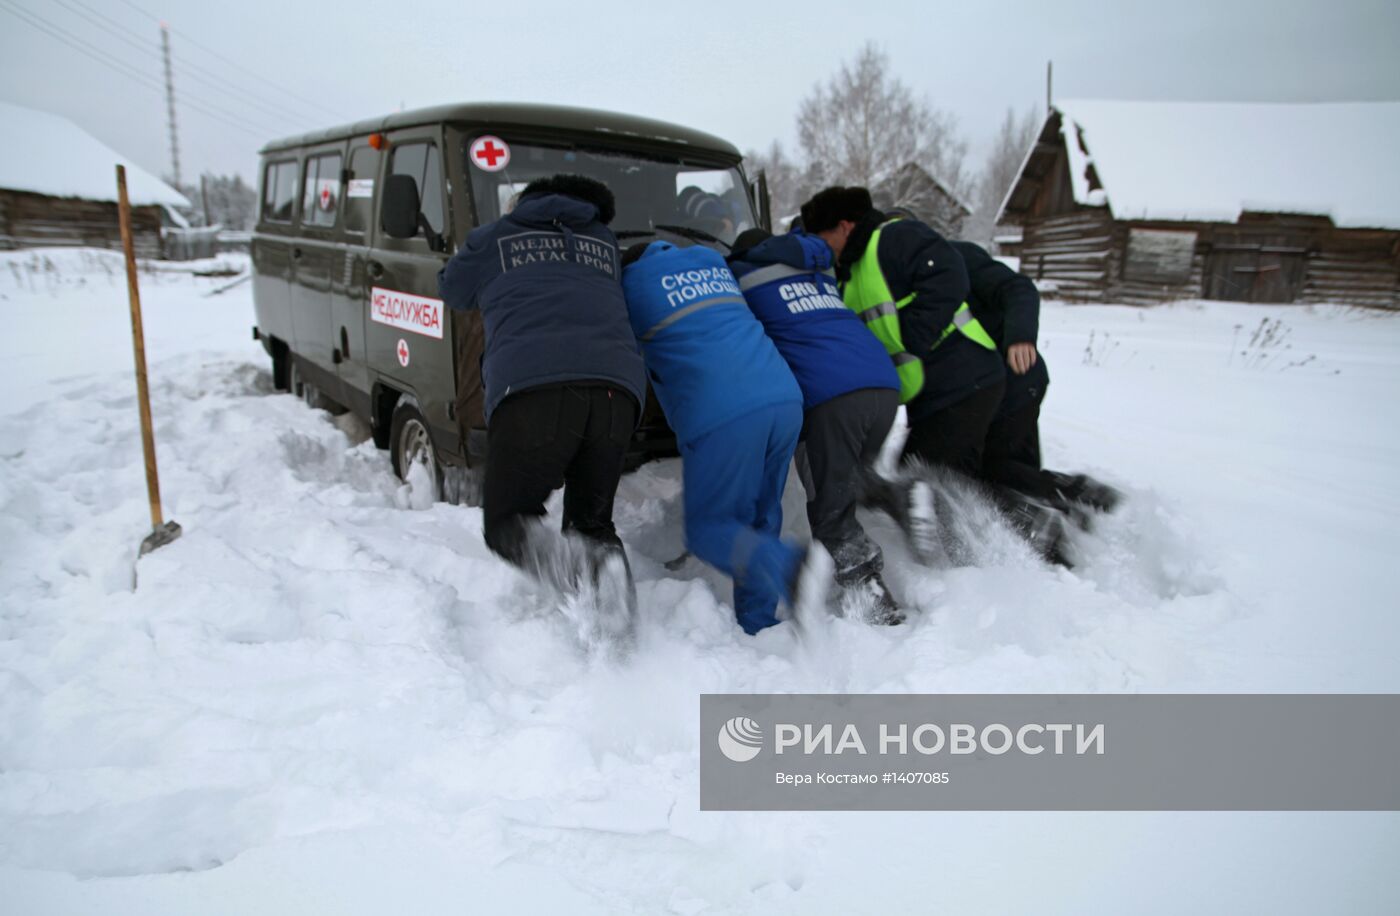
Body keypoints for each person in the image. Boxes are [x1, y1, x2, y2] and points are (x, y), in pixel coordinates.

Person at [437, 174, 646, 614]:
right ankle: (620, 639)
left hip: (534, 389)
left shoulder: (494, 236)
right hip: (617, 394)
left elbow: (452, 288)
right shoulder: (604, 243)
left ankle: (578, 571)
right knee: (593, 524)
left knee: (506, 521)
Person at [620, 239, 832, 635]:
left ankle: (788, 567)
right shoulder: (711, 263)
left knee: (709, 529)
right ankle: (759, 623)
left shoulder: (632, 284)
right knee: (760, 519)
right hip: (783, 398)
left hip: (723, 411)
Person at [727, 228, 936, 623]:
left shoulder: (742, 275)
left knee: (831, 508)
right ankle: (900, 495)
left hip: (832, 397)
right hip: (882, 384)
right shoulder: (814, 269)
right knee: (855, 479)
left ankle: (874, 601)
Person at [799, 187, 1006, 477]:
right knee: (942, 482)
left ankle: (978, 522)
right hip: (934, 394)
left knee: (919, 482)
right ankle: (985, 519)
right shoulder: (849, 273)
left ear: (844, 227)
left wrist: (911, 339)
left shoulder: (894, 237)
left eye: (821, 238)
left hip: (964, 379)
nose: (820, 248)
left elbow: (950, 275)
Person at [953, 240, 1121, 518]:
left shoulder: (956, 255)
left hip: (1013, 378)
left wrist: (1020, 337)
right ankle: (1072, 510)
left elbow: (1018, 288)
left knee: (996, 470)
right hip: (998, 383)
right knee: (1011, 471)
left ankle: (1081, 501)